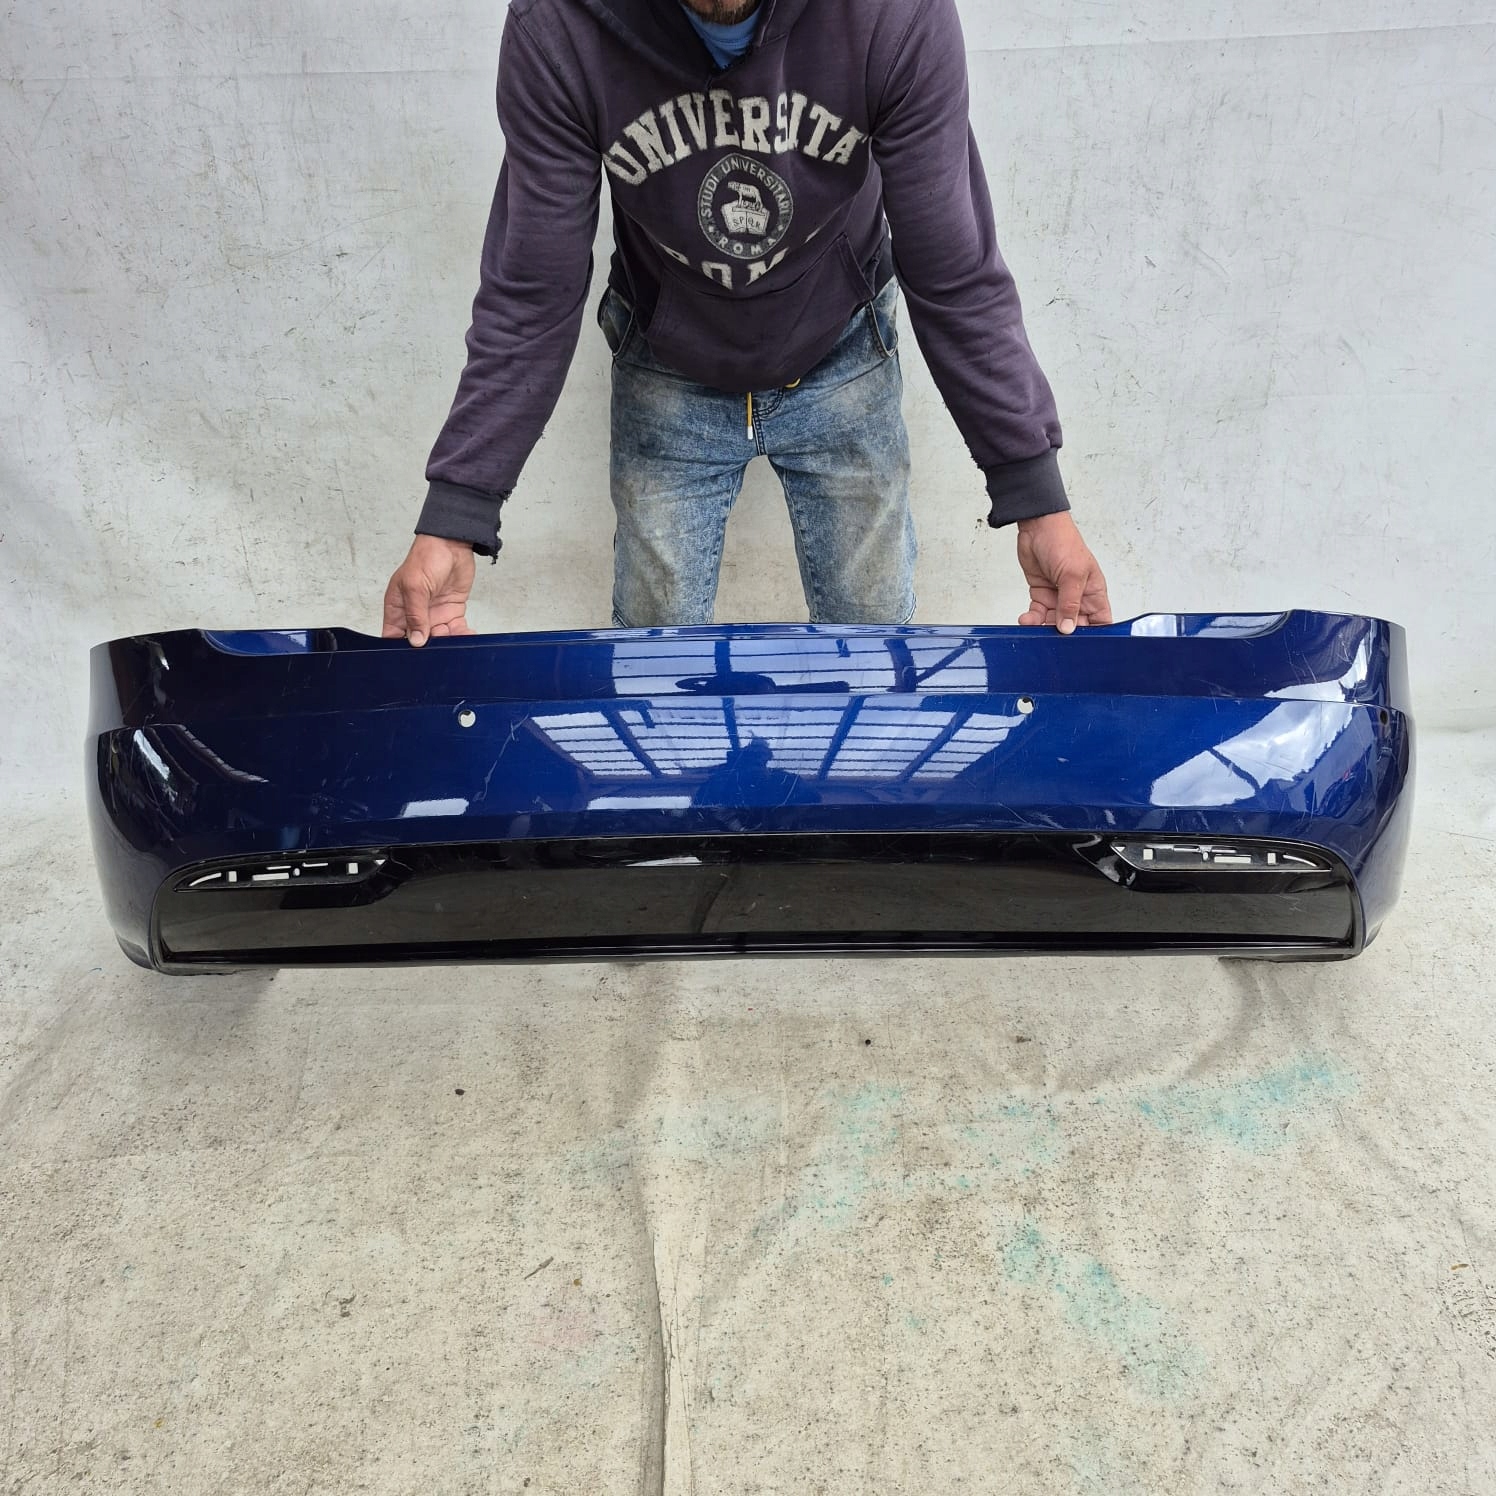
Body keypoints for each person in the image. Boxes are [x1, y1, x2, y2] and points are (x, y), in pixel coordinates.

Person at [382, 0, 1112, 646]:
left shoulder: (892, 14)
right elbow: (531, 294)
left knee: (874, 644)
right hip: (667, 360)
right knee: (654, 661)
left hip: (841, 350)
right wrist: (456, 516)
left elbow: (954, 272)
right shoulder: (560, 27)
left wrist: (1035, 497)